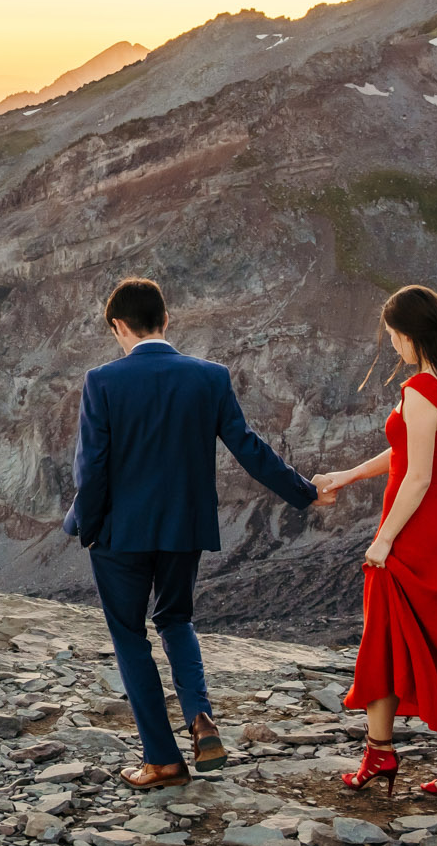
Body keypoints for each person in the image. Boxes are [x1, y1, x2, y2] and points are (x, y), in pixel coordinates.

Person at [62, 277, 320, 788]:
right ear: (166, 320)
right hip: (184, 528)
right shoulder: (209, 377)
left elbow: (91, 469)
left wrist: (87, 527)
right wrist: (305, 491)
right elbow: (248, 448)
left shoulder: (103, 382)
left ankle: (163, 759)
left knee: (130, 637)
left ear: (118, 326)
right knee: (176, 619)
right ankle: (200, 717)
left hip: (120, 534)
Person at [313, 284, 437, 800]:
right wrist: (348, 475)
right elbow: (418, 456)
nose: (391, 344)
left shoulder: (419, 390)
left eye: (392, 335)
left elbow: (416, 476)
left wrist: (383, 541)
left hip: (414, 528)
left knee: (384, 634)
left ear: (407, 334)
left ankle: (380, 753)